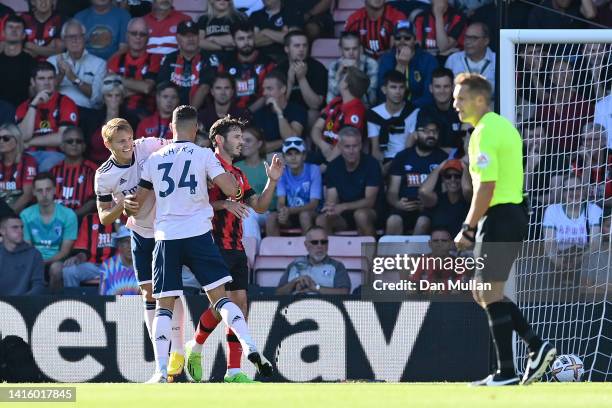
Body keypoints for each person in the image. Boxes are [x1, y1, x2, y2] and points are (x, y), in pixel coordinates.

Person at [133, 106, 274, 383]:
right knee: (222, 299)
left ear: (171, 127)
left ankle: (161, 371)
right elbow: (231, 189)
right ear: (196, 128)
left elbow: (138, 203)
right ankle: (250, 346)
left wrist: (124, 207)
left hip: (166, 236)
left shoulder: (155, 158)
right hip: (199, 235)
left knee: (164, 306)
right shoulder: (203, 155)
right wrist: (230, 188)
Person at [453, 73, 556, 386]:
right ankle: (526, 355)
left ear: (480, 99)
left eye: (461, 97)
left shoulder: (484, 132)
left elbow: (486, 186)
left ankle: (515, 365)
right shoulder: (503, 126)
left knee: (487, 291)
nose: (455, 104)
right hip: (511, 213)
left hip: (500, 215)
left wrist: (468, 228)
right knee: (483, 291)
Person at [183, 114, 281, 383]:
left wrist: (272, 181)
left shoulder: (238, 174)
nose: (242, 142)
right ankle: (208, 353)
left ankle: (229, 368)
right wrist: (222, 204)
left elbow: (258, 206)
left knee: (238, 308)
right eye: (236, 137)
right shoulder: (203, 168)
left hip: (236, 247)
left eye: (242, 137)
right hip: (211, 247)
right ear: (219, 140)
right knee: (225, 305)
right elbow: (189, 204)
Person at [94, 118, 185, 380]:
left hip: (166, 229)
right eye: (121, 142)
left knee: (168, 290)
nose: (128, 145)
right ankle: (160, 361)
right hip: (139, 232)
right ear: (107, 143)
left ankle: (176, 352)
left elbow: (179, 148)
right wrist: (123, 206)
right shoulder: (104, 174)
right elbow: (103, 218)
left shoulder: (147, 146)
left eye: (129, 138)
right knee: (148, 291)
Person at [386, 114, 448, 235]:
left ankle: (414, 254)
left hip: (430, 210)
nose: (431, 135)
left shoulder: (443, 158)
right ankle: (391, 255)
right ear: (415, 134)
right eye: (425, 131)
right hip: (404, 207)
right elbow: (392, 191)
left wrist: (430, 204)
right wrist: (397, 203)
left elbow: (446, 193)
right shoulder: (402, 156)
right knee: (393, 220)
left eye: (434, 131)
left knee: (422, 222)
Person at [316, 126, 381, 236]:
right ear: (340, 147)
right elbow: (332, 198)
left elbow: (370, 201)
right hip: (344, 216)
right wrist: (331, 208)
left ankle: (371, 253)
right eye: (347, 147)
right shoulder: (333, 167)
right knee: (322, 219)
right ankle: (331, 253)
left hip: (370, 212)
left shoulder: (372, 164)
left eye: (355, 146)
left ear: (360, 146)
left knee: (360, 215)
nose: (351, 151)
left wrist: (343, 207)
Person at [15, 62, 79, 172]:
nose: (46, 82)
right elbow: (23, 136)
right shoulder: (24, 107)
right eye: (41, 78)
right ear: (33, 82)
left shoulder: (66, 102)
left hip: (55, 154)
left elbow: (63, 138)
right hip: (27, 154)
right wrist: (33, 106)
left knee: (45, 171)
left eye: (50, 78)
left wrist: (30, 142)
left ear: (55, 80)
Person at [20, 172, 78, 291]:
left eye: (48, 189)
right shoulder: (25, 215)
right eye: (40, 190)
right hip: (33, 259)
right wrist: (36, 262)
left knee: (56, 269)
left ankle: (53, 304)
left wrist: (44, 262)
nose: (45, 194)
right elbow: (27, 246)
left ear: (55, 190)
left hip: (57, 260)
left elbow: (65, 251)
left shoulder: (68, 215)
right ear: (34, 192)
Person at [542, 174, 602, 283]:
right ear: (564, 192)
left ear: (583, 190)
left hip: (585, 260)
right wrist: (558, 261)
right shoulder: (552, 210)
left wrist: (579, 260)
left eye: (578, 188)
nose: (575, 193)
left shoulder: (594, 210)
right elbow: (549, 243)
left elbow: (595, 243)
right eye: (570, 189)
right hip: (558, 260)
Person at [311, 66, 369, 163]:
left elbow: (347, 142)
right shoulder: (335, 102)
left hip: (340, 160)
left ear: (345, 85)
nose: (339, 80)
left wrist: (326, 165)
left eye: (342, 78)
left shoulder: (356, 111)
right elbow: (316, 127)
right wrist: (322, 144)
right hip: (322, 151)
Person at [156, 20, 218, 109]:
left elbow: (204, 88)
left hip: (201, 113)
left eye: (194, 35)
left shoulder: (209, 59)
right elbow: (162, 89)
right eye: (185, 35)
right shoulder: (168, 59)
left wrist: (189, 115)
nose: (190, 39)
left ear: (199, 37)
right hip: (172, 112)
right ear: (178, 38)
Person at [47, 19, 107, 110]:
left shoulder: (99, 64)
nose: (74, 40)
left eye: (78, 36)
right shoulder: (52, 61)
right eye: (70, 37)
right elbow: (44, 92)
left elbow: (98, 99)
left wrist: (74, 78)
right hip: (57, 110)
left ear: (84, 38)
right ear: (63, 40)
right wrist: (60, 75)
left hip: (85, 112)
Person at [266, 137, 321, 236]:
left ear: (304, 156)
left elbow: (314, 204)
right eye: (289, 154)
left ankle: (307, 249)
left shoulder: (313, 169)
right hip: (290, 214)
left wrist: (289, 210)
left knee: (304, 215)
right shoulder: (282, 172)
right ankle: (273, 250)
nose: (293, 157)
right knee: (271, 217)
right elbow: (281, 201)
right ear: (284, 157)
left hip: (311, 213)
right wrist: (282, 210)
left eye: (297, 153)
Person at [376, 20, 438, 108]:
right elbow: (382, 95)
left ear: (415, 39)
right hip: (392, 110)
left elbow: (429, 96)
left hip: (420, 110)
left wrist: (407, 109)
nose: (402, 41)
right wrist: (401, 66)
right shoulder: (386, 59)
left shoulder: (428, 60)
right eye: (398, 38)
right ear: (394, 40)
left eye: (407, 38)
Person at [107, 17, 160, 119]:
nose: (138, 37)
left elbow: (147, 88)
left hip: (144, 114)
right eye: (134, 33)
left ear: (148, 38)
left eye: (142, 34)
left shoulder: (155, 59)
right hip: (116, 110)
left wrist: (117, 79)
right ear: (127, 36)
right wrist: (138, 85)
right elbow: (109, 88)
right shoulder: (115, 60)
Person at [367, 70, 418, 172]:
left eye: (401, 87)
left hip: (406, 160)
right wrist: (380, 169)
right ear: (384, 89)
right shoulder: (374, 114)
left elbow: (409, 148)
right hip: (382, 161)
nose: (398, 92)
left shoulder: (414, 112)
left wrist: (389, 167)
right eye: (393, 87)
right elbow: (375, 150)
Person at [276, 226, 351, 295]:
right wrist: (295, 282)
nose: (320, 246)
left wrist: (315, 287)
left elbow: (344, 293)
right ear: (306, 245)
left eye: (323, 242)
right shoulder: (294, 265)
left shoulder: (337, 266)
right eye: (315, 242)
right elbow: (278, 293)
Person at [83, 74, 139, 165]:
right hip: (93, 167)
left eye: (117, 95)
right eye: (109, 95)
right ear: (104, 98)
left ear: (121, 98)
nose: (114, 99)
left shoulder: (132, 120)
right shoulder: (91, 119)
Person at [221, 20, 276, 112]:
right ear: (234, 41)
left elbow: (271, 92)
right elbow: (221, 93)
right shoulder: (225, 64)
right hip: (231, 113)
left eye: (249, 37)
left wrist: (248, 112)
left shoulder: (267, 63)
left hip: (262, 112)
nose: (246, 42)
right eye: (241, 39)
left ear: (254, 38)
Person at [54, 211, 117, 290]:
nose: (107, 202)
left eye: (111, 199)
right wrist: (78, 257)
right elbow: (83, 250)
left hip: (118, 266)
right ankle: (74, 301)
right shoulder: (89, 219)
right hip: (93, 266)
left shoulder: (125, 218)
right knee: (69, 271)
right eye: (102, 199)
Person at [277, 30, 328, 126]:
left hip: (308, 112)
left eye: (305, 45)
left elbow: (315, 105)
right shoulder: (279, 69)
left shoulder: (318, 68)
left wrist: (301, 78)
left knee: (313, 114)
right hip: (287, 111)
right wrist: (290, 82)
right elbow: (279, 105)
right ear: (287, 49)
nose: (301, 49)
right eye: (297, 46)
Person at [235, 126, 274, 243]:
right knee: (248, 214)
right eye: (242, 140)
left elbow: (274, 199)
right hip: (243, 211)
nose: (243, 143)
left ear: (259, 144)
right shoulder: (236, 167)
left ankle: (252, 253)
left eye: (248, 140)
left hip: (266, 212)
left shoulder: (268, 167)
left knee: (249, 214)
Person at [252, 70, 307, 152]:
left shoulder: (297, 110)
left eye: (269, 89)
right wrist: (283, 141)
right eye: (264, 89)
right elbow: (257, 147)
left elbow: (292, 139)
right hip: (267, 160)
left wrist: (279, 113)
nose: (264, 93)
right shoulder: (260, 113)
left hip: (292, 158)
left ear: (283, 89)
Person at [50, 127, 97, 218]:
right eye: (69, 141)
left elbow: (94, 200)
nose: (74, 144)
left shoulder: (93, 170)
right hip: (55, 219)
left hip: (81, 219)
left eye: (78, 141)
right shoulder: (53, 171)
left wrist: (73, 216)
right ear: (62, 146)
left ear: (84, 146)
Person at [417, 159, 471, 236]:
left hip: (462, 245)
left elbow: (467, 189)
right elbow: (423, 192)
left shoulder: (468, 198)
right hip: (439, 245)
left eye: (458, 176)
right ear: (443, 179)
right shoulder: (438, 199)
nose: (453, 180)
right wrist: (439, 167)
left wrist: (465, 168)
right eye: (448, 176)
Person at [417, 68, 465, 153]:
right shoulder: (424, 112)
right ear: (431, 88)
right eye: (437, 87)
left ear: (453, 88)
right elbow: (423, 145)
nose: (442, 91)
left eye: (446, 86)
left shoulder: (463, 110)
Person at [326, 31, 378, 107]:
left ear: (360, 48)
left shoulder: (371, 64)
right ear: (341, 50)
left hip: (364, 110)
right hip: (340, 110)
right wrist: (338, 76)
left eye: (355, 48)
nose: (351, 53)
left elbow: (372, 100)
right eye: (347, 49)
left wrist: (357, 74)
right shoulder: (334, 66)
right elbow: (330, 102)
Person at [0, 215, 45, 296]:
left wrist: (23, 301)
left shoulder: (34, 254)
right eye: (15, 227)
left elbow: (38, 285)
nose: (20, 231)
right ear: (2, 231)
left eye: (21, 227)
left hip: (25, 304)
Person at [444, 22, 496, 92]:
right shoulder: (453, 60)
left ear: (486, 41)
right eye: (466, 37)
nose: (468, 42)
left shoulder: (498, 60)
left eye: (474, 38)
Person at [0, 14, 36, 108]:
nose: (14, 30)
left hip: (21, 112)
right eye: (10, 27)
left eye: (18, 27)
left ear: (24, 35)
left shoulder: (31, 62)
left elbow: (33, 93)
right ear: (3, 33)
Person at [0, 123, 37, 214]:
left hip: (17, 212)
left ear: (17, 140)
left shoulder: (28, 161)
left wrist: (8, 215)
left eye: (6, 138)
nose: (1, 141)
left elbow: (27, 195)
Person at [99, 225, 140, 295]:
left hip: (139, 305)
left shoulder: (146, 265)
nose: (130, 246)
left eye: (134, 241)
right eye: (126, 242)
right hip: (113, 305)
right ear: (119, 245)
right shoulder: (107, 266)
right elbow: (102, 297)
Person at [527, 0, 597, 29]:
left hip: (577, 58)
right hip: (551, 57)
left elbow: (590, 14)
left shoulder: (577, 4)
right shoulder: (540, 10)